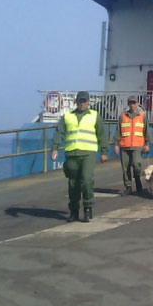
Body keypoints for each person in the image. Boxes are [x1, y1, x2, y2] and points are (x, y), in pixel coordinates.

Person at [50, 91, 109, 222]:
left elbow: (102, 134)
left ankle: (88, 208)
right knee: (73, 184)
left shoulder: (95, 116)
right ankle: (74, 211)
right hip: (72, 153)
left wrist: (104, 152)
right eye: (80, 101)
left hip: (88, 153)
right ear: (76, 102)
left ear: (88, 102)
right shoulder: (67, 116)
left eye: (84, 101)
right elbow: (59, 133)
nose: (82, 103)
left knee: (87, 180)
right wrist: (54, 148)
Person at [113, 95, 150, 195]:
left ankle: (137, 181)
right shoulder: (123, 116)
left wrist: (147, 143)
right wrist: (116, 144)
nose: (132, 105)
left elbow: (146, 130)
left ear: (137, 104)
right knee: (125, 168)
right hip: (124, 145)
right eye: (130, 103)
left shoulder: (142, 116)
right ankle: (128, 187)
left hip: (137, 146)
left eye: (134, 103)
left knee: (136, 165)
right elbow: (118, 131)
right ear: (128, 104)